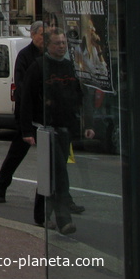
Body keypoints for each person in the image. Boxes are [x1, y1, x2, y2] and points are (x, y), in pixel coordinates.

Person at [17, 28, 95, 235]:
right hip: (45, 128)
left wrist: (88, 125)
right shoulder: (38, 67)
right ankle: (64, 220)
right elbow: (26, 99)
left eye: (63, 43)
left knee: (49, 173)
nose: (61, 46)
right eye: (57, 43)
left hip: (65, 127)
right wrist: (26, 130)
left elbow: (81, 97)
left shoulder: (71, 67)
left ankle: (40, 214)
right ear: (48, 46)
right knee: (59, 173)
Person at [0, 21, 46, 202]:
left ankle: (64, 196)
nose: (44, 39)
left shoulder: (50, 56)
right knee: (17, 153)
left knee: (56, 160)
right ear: (33, 35)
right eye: (41, 34)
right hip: (27, 113)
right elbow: (22, 86)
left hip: (45, 114)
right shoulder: (24, 56)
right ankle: (1, 186)